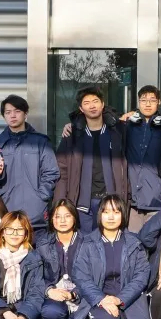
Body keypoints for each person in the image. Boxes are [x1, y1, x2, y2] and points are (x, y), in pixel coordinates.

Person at [71, 195, 151, 319]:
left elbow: (141, 276)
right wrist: (102, 299)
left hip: (127, 301)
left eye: (116, 212)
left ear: (123, 215)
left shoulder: (134, 243)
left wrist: (120, 299)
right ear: (100, 215)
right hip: (98, 300)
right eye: (106, 212)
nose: (111, 217)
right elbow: (81, 275)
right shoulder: (88, 242)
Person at [54, 87, 130, 232]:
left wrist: (134, 113)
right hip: (82, 203)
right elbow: (62, 170)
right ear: (81, 108)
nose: (92, 106)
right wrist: (60, 202)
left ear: (102, 104)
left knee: (110, 242)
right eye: (87, 103)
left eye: (95, 101)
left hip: (111, 202)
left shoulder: (118, 132)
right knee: (84, 242)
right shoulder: (72, 135)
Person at [0, 95, 59, 232]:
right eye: (8, 112)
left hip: (35, 214)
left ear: (26, 113)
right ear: (4, 116)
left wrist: (41, 197)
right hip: (7, 212)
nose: (12, 115)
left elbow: (51, 172)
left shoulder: (40, 141)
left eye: (17, 111)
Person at [37, 199, 91, 319]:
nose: (62, 221)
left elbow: (94, 277)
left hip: (80, 297)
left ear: (74, 218)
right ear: (51, 219)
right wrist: (49, 290)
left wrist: (74, 294)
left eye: (67, 216)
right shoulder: (43, 243)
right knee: (51, 312)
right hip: (55, 295)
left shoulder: (88, 242)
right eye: (57, 216)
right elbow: (35, 275)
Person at [123, 85, 161, 231]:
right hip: (132, 199)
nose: (147, 104)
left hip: (157, 197)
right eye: (143, 100)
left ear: (159, 102)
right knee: (133, 241)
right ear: (138, 102)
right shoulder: (128, 126)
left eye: (152, 100)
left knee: (155, 241)